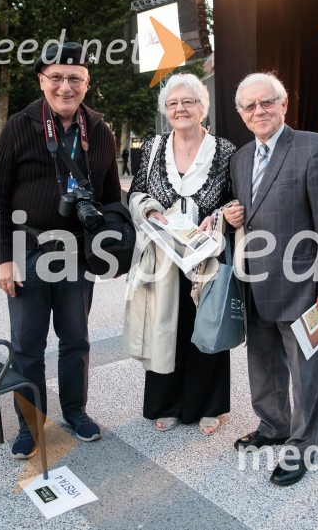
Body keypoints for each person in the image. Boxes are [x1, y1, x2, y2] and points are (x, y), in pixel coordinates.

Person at [0, 42, 120, 459]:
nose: (66, 86)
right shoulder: (20, 125)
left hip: (77, 254)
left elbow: (112, 196)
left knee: (76, 339)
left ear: (87, 83)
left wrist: (115, 242)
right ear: (42, 81)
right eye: (57, 77)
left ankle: (75, 412)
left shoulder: (99, 129)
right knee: (26, 344)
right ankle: (29, 422)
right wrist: (2, 259)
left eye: (74, 78)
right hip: (27, 251)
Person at [223, 73, 318, 486]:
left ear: (283, 104)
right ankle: (273, 426)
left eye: (266, 102)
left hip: (304, 289)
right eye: (249, 106)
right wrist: (231, 215)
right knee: (262, 366)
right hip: (255, 284)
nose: (258, 111)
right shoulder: (240, 158)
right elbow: (251, 209)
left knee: (306, 372)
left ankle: (302, 447)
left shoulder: (314, 147)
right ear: (241, 114)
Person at [124, 74, 236, 435]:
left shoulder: (225, 151)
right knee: (166, 328)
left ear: (202, 107)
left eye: (188, 102)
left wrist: (217, 216)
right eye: (173, 104)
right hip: (164, 257)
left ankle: (209, 405)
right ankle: (166, 404)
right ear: (165, 111)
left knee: (207, 325)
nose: (180, 109)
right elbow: (136, 193)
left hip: (206, 256)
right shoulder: (153, 147)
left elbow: (236, 200)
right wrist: (151, 211)